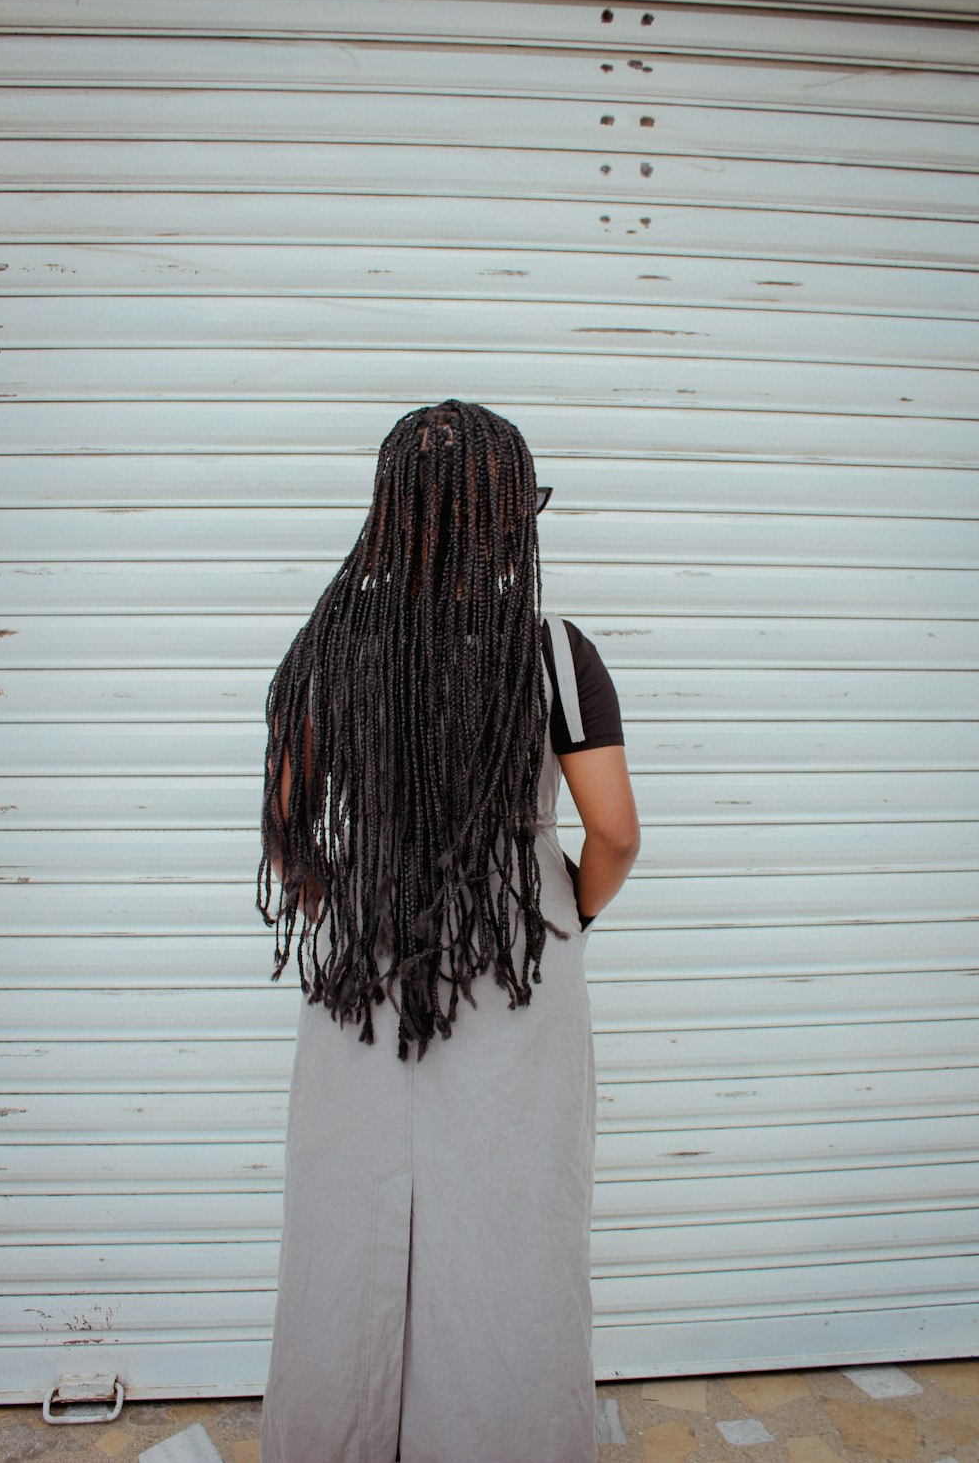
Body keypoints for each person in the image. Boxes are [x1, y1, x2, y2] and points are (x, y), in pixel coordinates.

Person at [256, 399, 639, 1463]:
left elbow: (288, 823)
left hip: (366, 962)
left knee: (347, 1212)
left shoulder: (332, 646)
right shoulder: (553, 655)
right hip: (517, 958)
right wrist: (569, 909)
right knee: (514, 1219)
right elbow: (612, 831)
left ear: (390, 514)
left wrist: (343, 900)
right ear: (509, 514)